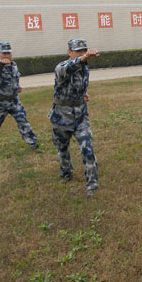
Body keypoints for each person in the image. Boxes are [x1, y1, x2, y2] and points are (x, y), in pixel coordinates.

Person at [48, 39, 100, 198]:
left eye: (83, 50)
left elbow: (78, 84)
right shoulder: (61, 67)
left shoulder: (85, 68)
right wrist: (83, 58)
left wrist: (82, 94)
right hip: (61, 117)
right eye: (77, 51)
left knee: (87, 148)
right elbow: (69, 69)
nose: (81, 53)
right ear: (69, 52)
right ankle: (66, 173)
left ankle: (92, 183)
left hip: (80, 116)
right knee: (62, 149)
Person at [0, 42, 39, 153]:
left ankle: (33, 144)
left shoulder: (14, 65)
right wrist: (1, 63)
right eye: (4, 53)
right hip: (0, 102)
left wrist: (17, 86)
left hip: (14, 101)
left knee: (23, 121)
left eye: (8, 53)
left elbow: (14, 78)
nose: (7, 55)